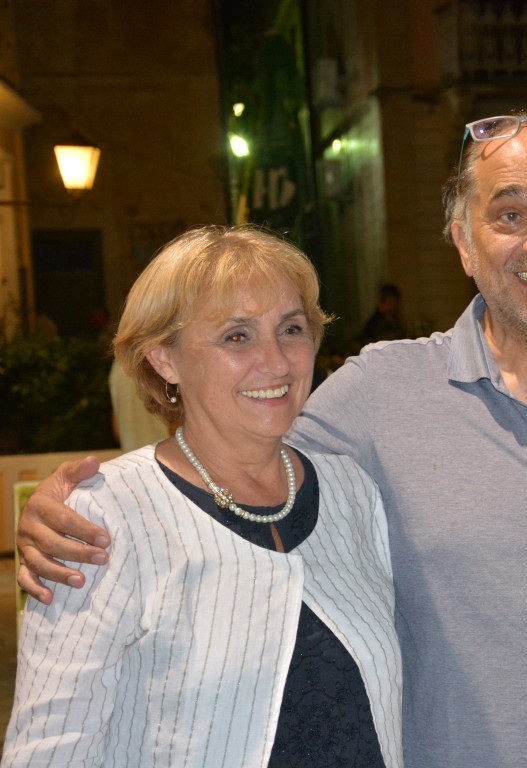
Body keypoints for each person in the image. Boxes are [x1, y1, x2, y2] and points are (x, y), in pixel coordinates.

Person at [17, 110, 527, 768]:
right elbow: (238, 450)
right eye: (509, 215)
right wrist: (86, 504)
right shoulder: (379, 395)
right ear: (462, 241)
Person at [4, 226, 403, 766]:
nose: (277, 362)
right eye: (237, 337)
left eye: (291, 329)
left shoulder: (352, 492)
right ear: (163, 359)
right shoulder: (106, 518)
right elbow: (50, 749)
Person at [108, 357, 170, 450]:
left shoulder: (117, 368)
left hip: (131, 453)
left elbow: (117, 430)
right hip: (165, 451)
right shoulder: (160, 359)